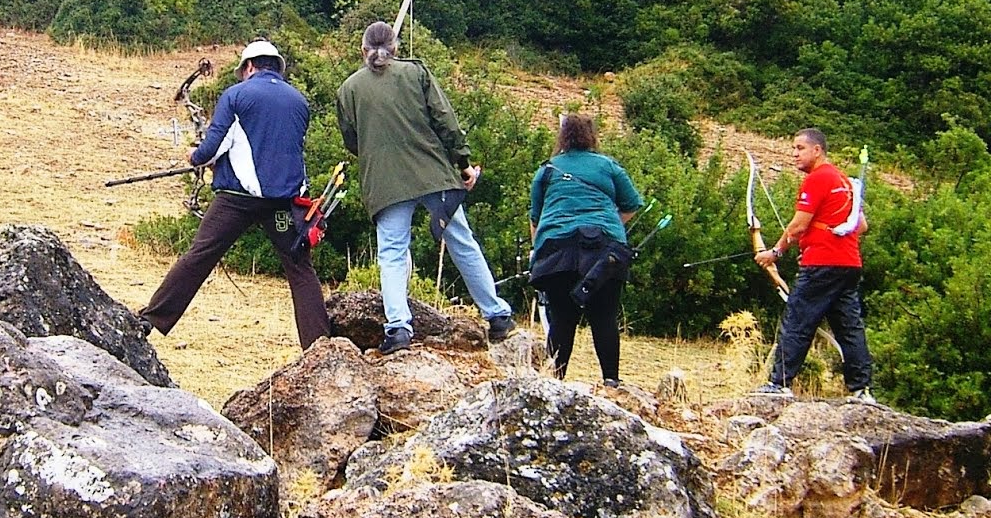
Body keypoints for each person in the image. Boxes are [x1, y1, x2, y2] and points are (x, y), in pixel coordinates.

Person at [335, 21, 515, 353]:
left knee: (391, 253)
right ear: (396, 48)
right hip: (432, 172)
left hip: (385, 181)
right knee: (462, 240)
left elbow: (352, 141)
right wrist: (463, 165)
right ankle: (497, 315)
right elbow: (445, 121)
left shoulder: (349, 89)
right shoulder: (416, 73)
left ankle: (399, 329)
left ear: (363, 51)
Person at [141, 40, 330, 349]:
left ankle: (152, 319)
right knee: (299, 269)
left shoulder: (237, 95)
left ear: (249, 67)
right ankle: (320, 346)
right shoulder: (299, 101)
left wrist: (195, 157)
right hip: (284, 204)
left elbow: (213, 147)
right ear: (277, 67)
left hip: (237, 198)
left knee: (200, 255)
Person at [753, 128, 874, 399]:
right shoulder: (845, 181)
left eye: (800, 148)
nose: (794, 154)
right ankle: (862, 390)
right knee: (849, 327)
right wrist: (819, 240)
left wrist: (775, 252)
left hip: (822, 263)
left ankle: (779, 384)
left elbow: (797, 226)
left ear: (817, 150)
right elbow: (861, 226)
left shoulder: (818, 179)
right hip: (849, 262)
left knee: (797, 320)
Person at [527, 113, 644, 386]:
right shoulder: (609, 166)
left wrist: (538, 251)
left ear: (562, 137)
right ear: (592, 135)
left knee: (562, 319)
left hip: (557, 250)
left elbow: (536, 218)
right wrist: (611, 225)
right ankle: (611, 382)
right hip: (606, 249)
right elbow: (631, 205)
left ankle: (553, 384)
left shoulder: (546, 171)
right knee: (604, 316)